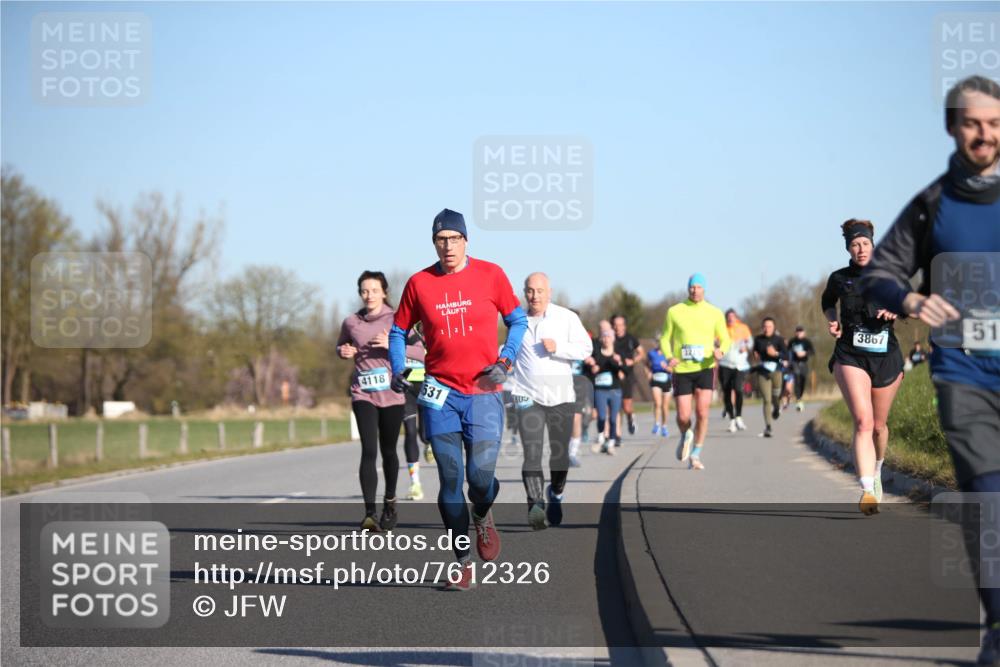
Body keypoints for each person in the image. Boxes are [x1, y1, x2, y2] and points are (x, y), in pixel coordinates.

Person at [860, 75, 1000, 664]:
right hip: (963, 371)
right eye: (972, 123)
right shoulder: (932, 204)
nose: (985, 135)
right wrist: (913, 300)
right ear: (952, 127)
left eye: (994, 124)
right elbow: (879, 275)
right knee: (989, 494)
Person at [389, 208, 527, 591]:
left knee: (480, 479)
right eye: (440, 239)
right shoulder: (419, 283)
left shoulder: (491, 274)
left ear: (466, 240)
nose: (447, 245)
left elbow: (517, 320)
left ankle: (482, 513)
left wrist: (506, 359)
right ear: (434, 243)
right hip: (439, 393)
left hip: (484, 391)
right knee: (451, 478)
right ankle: (464, 563)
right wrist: (399, 367)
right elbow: (398, 331)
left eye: (454, 238)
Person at [822, 219, 904, 515]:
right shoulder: (839, 278)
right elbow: (827, 302)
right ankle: (866, 490)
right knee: (863, 422)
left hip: (885, 356)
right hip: (850, 355)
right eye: (855, 244)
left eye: (865, 243)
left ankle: (877, 469)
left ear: (873, 245)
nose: (860, 249)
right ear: (848, 248)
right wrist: (833, 319)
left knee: (879, 427)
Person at [508, 272, 592, 529]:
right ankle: (535, 504)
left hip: (560, 398)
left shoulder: (566, 317)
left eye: (539, 291)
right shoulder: (517, 320)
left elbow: (586, 349)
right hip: (525, 395)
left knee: (559, 456)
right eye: (530, 291)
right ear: (524, 292)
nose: (534, 296)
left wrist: (559, 348)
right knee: (532, 452)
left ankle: (555, 493)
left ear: (549, 292)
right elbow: (508, 350)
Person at [337, 271, 414, 530]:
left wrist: (391, 345)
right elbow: (341, 346)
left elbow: (421, 350)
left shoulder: (397, 319)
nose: (368, 295)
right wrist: (343, 351)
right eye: (364, 291)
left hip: (392, 393)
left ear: (384, 292)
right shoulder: (351, 322)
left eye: (373, 290)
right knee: (369, 450)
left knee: (389, 450)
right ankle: (369, 512)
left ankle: (390, 502)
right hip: (363, 393)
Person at [659, 273, 730, 470]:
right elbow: (665, 338)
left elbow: (725, 338)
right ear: (687, 288)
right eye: (692, 287)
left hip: (705, 367)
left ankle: (696, 453)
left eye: (699, 287)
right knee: (683, 416)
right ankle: (685, 435)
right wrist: (668, 356)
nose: (695, 290)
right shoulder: (675, 311)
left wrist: (721, 350)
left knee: (702, 412)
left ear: (704, 289)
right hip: (682, 369)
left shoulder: (714, 312)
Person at [402, 325, 430, 500]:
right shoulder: (403, 330)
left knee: (425, 435)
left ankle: (429, 442)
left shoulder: (434, 324)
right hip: (407, 388)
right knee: (410, 433)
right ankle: (415, 483)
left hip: (428, 386)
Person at [587, 329, 624, 455]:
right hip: (600, 389)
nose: (606, 339)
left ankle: (611, 443)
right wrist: (590, 363)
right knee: (601, 417)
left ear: (613, 338)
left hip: (615, 390)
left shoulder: (618, 353)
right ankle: (601, 438)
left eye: (609, 336)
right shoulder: (596, 352)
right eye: (604, 336)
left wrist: (620, 364)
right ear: (601, 339)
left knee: (613, 419)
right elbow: (589, 367)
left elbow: (625, 371)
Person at [752, 317, 787, 438]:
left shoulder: (779, 340)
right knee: (766, 400)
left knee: (775, 396)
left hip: (776, 372)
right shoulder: (758, 339)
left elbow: (786, 355)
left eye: (769, 326)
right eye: (765, 326)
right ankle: (768, 426)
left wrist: (776, 354)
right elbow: (755, 351)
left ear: (774, 327)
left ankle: (777, 408)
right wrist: (755, 355)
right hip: (763, 372)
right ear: (762, 327)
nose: (767, 329)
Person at [719, 309, 753, 432]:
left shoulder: (743, 327)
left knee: (738, 389)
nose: (730, 319)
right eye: (728, 317)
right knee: (727, 392)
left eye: (732, 316)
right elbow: (713, 342)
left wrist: (746, 347)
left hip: (740, 365)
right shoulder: (721, 328)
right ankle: (732, 420)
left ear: (736, 317)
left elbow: (750, 342)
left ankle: (739, 416)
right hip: (725, 364)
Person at [612, 315, 644, 436]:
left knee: (626, 406)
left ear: (624, 326)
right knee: (615, 406)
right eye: (615, 325)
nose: (617, 327)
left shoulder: (631, 339)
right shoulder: (611, 338)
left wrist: (633, 361)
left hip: (628, 375)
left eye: (620, 325)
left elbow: (641, 353)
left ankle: (630, 417)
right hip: (614, 374)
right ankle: (616, 434)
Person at [646, 341, 672, 437]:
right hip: (655, 379)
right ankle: (656, 424)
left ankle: (664, 426)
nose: (659, 344)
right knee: (657, 403)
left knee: (665, 406)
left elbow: (674, 369)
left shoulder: (669, 354)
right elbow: (646, 364)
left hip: (667, 380)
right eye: (657, 342)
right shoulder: (651, 353)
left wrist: (666, 367)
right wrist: (648, 373)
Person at [787, 325, 815, 411]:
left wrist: (805, 353)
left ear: (804, 332)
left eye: (801, 331)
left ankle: (800, 396)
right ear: (795, 333)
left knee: (803, 379)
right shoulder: (792, 341)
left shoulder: (807, 341)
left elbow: (812, 352)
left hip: (804, 363)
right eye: (797, 331)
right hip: (794, 363)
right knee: (797, 377)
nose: (799, 333)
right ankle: (798, 399)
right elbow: (787, 351)